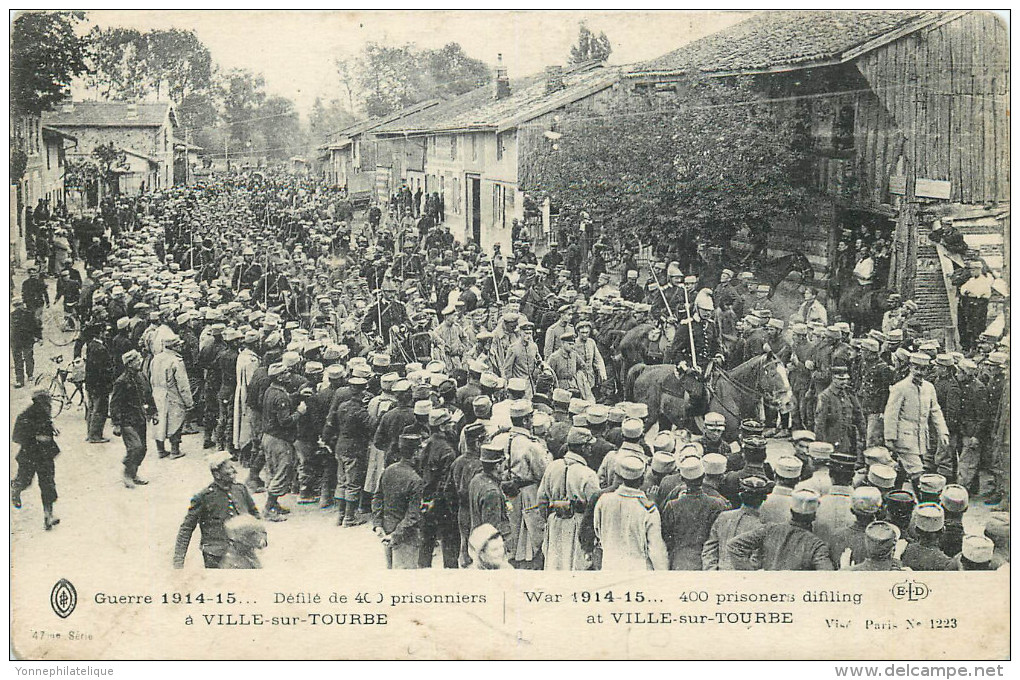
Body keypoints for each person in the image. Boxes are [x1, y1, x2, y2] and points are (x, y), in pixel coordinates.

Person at [173, 451, 260, 569]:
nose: (235, 471)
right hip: (216, 556)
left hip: (243, 551)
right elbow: (186, 528)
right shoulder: (204, 497)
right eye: (229, 468)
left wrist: (259, 537)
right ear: (217, 474)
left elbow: (255, 514)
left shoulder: (240, 490)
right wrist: (178, 563)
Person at [537, 426, 600, 570]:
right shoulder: (588, 474)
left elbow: (541, 500)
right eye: (589, 446)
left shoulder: (552, 467)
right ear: (583, 448)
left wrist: (550, 517)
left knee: (555, 564)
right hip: (578, 523)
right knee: (575, 566)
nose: (591, 450)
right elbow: (595, 507)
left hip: (555, 522)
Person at [883, 353, 949, 489]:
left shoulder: (929, 387)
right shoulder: (900, 387)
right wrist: (889, 437)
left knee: (902, 468)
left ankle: (893, 498)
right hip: (903, 438)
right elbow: (891, 414)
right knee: (917, 471)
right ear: (910, 367)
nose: (920, 372)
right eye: (916, 368)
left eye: (923, 369)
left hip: (920, 438)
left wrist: (943, 432)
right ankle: (926, 505)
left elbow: (935, 410)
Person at [593, 453, 669, 570]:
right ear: (642, 479)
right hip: (637, 569)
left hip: (609, 564)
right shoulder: (648, 509)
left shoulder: (604, 500)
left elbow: (597, 531)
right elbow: (656, 550)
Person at [728, 488, 835, 570]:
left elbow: (734, 546)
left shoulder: (769, 529)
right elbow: (826, 575)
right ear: (814, 515)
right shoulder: (816, 545)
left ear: (791, 510)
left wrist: (751, 575)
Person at [661, 457, 728, 569]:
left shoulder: (672, 506)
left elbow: (666, 534)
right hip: (707, 561)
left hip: (680, 561)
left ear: (682, 478)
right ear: (703, 476)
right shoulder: (717, 504)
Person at [11, 389, 61, 530]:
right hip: (29, 456)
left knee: (48, 485)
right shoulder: (26, 415)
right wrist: (36, 438)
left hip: (45, 456)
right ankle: (15, 488)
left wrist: (52, 428)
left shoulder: (45, 412)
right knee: (25, 481)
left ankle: (48, 516)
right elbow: (16, 436)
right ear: (38, 401)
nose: (49, 403)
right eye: (46, 400)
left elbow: (46, 425)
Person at [373, 434, 425, 569]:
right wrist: (396, 535)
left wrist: (378, 524)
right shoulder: (415, 480)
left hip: (386, 531)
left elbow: (378, 497)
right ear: (415, 453)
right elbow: (412, 516)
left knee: (391, 573)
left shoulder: (388, 470)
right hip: (405, 536)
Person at [109, 349, 159, 488]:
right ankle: (127, 474)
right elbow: (115, 403)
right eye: (136, 360)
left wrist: (153, 412)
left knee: (142, 449)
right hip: (127, 420)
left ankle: (133, 473)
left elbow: (148, 395)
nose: (140, 362)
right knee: (135, 447)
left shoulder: (141, 376)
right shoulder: (121, 381)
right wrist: (116, 423)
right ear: (129, 364)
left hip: (140, 418)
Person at [702, 476, 770, 570]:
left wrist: (712, 572)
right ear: (764, 497)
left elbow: (709, 550)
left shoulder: (724, 517)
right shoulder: (764, 524)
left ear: (740, 495)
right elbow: (757, 560)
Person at [150, 336, 194, 460]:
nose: (180, 347)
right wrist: (189, 402)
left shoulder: (156, 358)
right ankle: (175, 450)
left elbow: (151, 377)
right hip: (172, 394)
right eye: (178, 345)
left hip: (157, 392)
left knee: (159, 421)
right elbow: (183, 384)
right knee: (176, 420)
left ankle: (160, 450)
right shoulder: (176, 361)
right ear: (174, 347)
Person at [11, 298, 42, 388]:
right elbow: (37, 326)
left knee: (19, 360)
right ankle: (29, 375)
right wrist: (39, 338)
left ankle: (21, 380)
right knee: (27, 357)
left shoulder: (12, 315)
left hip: (17, 341)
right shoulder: (29, 314)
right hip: (24, 340)